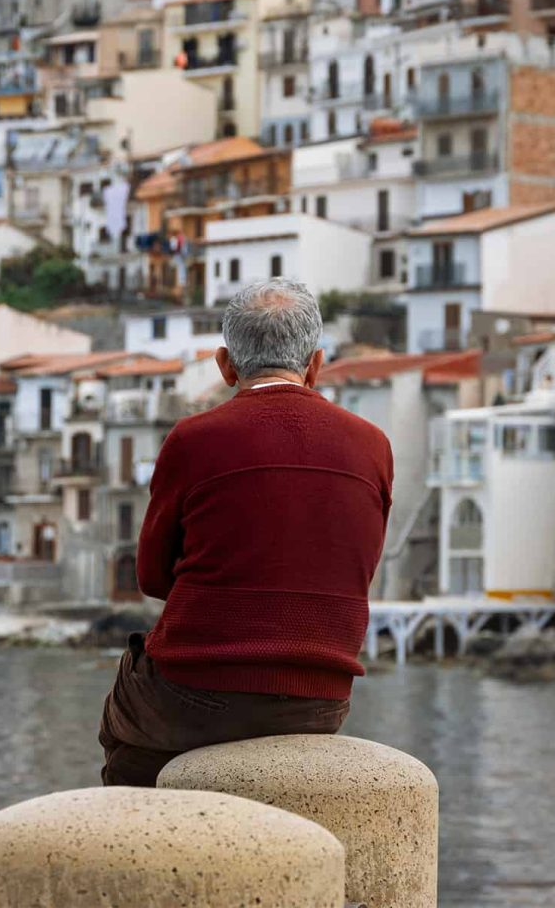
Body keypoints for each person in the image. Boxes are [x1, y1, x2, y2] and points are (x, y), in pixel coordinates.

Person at [100, 279, 394, 787]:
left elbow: (150, 577)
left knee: (123, 727)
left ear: (224, 364)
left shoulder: (193, 439)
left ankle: (145, 851)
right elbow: (354, 567)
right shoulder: (374, 446)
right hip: (321, 699)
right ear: (316, 364)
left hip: (195, 693)